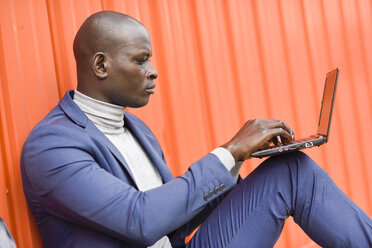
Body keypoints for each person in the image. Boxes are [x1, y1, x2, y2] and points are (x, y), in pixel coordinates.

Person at [20, 11, 372, 248]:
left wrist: (241, 160)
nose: (154, 71)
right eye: (141, 60)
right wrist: (228, 151)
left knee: (290, 171)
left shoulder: (136, 129)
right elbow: (139, 220)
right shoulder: (52, 145)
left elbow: (173, 223)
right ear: (101, 65)